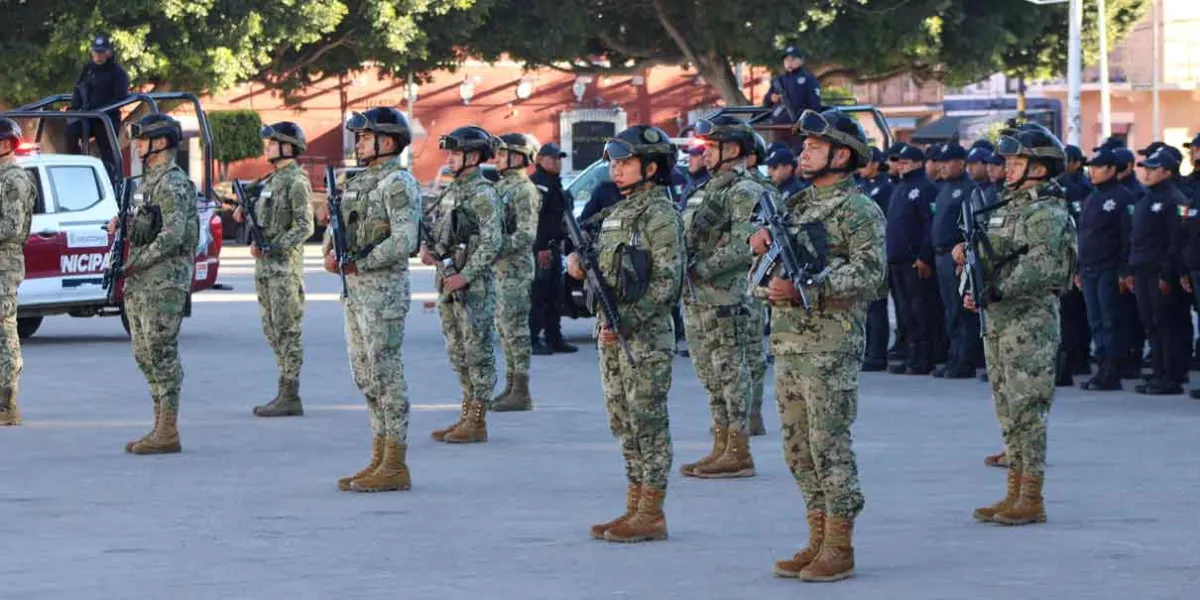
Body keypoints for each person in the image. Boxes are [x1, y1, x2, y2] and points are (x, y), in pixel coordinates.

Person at [751, 109, 884, 582]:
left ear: (841, 154)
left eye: (813, 144)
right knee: (796, 448)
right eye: (804, 144)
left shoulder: (859, 210)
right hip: (789, 344)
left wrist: (812, 286)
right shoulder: (796, 205)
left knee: (829, 444)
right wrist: (761, 246)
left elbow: (870, 274)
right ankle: (817, 535)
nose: (803, 150)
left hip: (831, 345)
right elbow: (767, 272)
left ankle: (840, 545)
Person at [955, 122, 1076, 527]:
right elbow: (986, 255)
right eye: (1007, 161)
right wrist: (971, 279)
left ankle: (1031, 497)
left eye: (1017, 161)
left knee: (1028, 408)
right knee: (1007, 407)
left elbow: (1040, 268)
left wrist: (995, 289)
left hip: (1030, 321)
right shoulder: (1006, 206)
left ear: (1040, 168)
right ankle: (1013, 492)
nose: (1007, 169)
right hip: (1000, 319)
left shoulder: (1046, 211)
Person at [568, 125, 683, 543]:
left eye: (625, 163)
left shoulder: (660, 215)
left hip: (643, 337)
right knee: (624, 421)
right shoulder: (619, 211)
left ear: (651, 167)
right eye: (613, 164)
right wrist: (579, 264)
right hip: (612, 333)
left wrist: (628, 322)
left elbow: (667, 283)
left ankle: (652, 512)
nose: (616, 171)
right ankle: (634, 505)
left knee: (647, 421)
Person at [323, 108, 421, 491]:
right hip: (356, 292)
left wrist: (361, 264)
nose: (358, 143)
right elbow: (340, 227)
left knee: (386, 375)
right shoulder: (358, 182)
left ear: (387, 141)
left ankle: (396, 462)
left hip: (383, 293)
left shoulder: (397, 183)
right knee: (365, 376)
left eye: (365, 137)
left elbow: (404, 239)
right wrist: (332, 253)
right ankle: (379, 455)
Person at [677, 115, 763, 479]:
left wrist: (701, 269)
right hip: (699, 298)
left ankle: (739, 450)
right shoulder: (706, 188)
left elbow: (746, 244)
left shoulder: (744, 190)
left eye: (712, 147)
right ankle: (721, 445)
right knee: (709, 375)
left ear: (734, 150)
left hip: (727, 297)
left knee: (730, 372)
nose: (705, 153)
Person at [114, 114, 199, 455]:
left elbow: (173, 235)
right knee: (143, 351)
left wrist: (136, 262)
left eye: (143, 139)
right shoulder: (148, 182)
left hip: (165, 281)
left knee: (161, 350)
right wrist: (122, 223)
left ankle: (168, 428)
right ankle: (158, 422)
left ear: (160, 143)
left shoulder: (174, 183)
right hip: (142, 281)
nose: (137, 145)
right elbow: (148, 225)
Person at [424, 126, 503, 444]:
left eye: (455, 153)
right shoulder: (452, 190)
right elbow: (443, 230)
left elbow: (492, 242)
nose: (449, 158)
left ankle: (478, 419)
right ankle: (466, 413)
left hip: (474, 288)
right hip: (448, 283)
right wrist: (429, 251)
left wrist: (466, 275)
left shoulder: (483, 193)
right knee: (458, 352)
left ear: (472, 157)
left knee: (477, 352)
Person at [232, 122, 315, 417]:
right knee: (272, 331)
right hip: (266, 269)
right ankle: (283, 390)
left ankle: (290, 394)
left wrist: (274, 247)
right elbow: (261, 215)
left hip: (283, 270)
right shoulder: (270, 180)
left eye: (272, 143)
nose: (267, 147)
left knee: (287, 330)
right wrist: (244, 210)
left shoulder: (296, 181)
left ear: (288, 147)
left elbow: (305, 226)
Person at [1128, 147, 1188, 395]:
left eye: (1153, 169)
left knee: (1167, 323)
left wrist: (1168, 274)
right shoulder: (1145, 198)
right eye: (1147, 169)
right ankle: (1158, 373)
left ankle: (1171, 376)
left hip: (1160, 270)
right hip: (1142, 268)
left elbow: (1176, 241)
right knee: (1150, 322)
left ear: (1167, 172)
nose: (1148, 173)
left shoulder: (1174, 199)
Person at [489, 133, 542, 412]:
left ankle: (521, 391)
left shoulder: (523, 189)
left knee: (516, 330)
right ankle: (510, 385)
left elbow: (525, 235)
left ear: (518, 157)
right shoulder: (503, 187)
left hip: (515, 271)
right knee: (505, 329)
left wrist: (493, 248)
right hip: (501, 271)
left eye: (501, 153)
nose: (496, 159)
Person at [1076, 148, 1133, 391]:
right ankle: (1101, 368)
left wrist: (1124, 270)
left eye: (1098, 167)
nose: (1092, 172)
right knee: (1096, 321)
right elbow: (1083, 235)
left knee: (1111, 321)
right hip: (1089, 268)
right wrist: (1078, 268)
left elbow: (1127, 237)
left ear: (1111, 169)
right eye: (1091, 167)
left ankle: (1112, 370)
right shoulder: (1092, 197)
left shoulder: (1123, 197)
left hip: (1110, 268)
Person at [885, 143, 938, 375]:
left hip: (914, 259)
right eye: (900, 162)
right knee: (904, 311)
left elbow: (930, 224)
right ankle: (909, 354)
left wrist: (924, 255)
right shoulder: (900, 187)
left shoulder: (924, 188)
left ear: (918, 163)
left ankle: (923, 357)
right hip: (897, 259)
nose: (902, 165)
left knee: (920, 311)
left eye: (907, 162)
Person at [930, 143, 979, 379]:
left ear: (961, 162)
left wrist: (966, 257)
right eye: (941, 161)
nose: (943, 165)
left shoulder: (970, 189)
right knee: (950, 310)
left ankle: (965, 359)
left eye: (948, 161)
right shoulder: (944, 189)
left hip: (958, 258)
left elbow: (972, 226)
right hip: (940, 257)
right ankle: (953, 356)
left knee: (962, 310)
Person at [0, 120, 36, 427]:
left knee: (4, 334)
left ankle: (6, 405)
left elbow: (10, 228)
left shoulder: (14, 180)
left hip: (3, 264)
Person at [529, 142, 578, 355]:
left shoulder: (555, 184)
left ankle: (554, 338)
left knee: (555, 295)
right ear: (540, 160)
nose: (557, 162)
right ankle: (532, 339)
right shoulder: (538, 184)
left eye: (559, 159)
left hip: (554, 248)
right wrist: (540, 247)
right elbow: (534, 219)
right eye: (553, 158)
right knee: (538, 296)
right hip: (541, 249)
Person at [67, 35, 130, 178]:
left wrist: (102, 111)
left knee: (108, 152)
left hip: (106, 117)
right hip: (87, 116)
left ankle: (112, 179)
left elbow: (120, 97)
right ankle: (77, 166)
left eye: (102, 52)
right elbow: (79, 88)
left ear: (109, 53)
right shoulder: (87, 69)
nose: (98, 56)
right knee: (71, 131)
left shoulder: (117, 72)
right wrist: (74, 108)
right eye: (96, 52)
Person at [857, 147, 892, 372]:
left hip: (879, 252)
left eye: (866, 163)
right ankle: (869, 349)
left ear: (876, 164)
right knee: (867, 308)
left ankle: (878, 353)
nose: (861, 168)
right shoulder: (865, 187)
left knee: (877, 308)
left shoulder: (885, 187)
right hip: (864, 252)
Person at [764, 45, 822, 128]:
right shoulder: (778, 80)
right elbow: (766, 102)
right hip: (778, 125)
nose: (789, 62)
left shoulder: (808, 79)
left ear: (801, 61)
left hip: (800, 126)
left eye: (793, 59)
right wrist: (771, 97)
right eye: (786, 60)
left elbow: (815, 105)